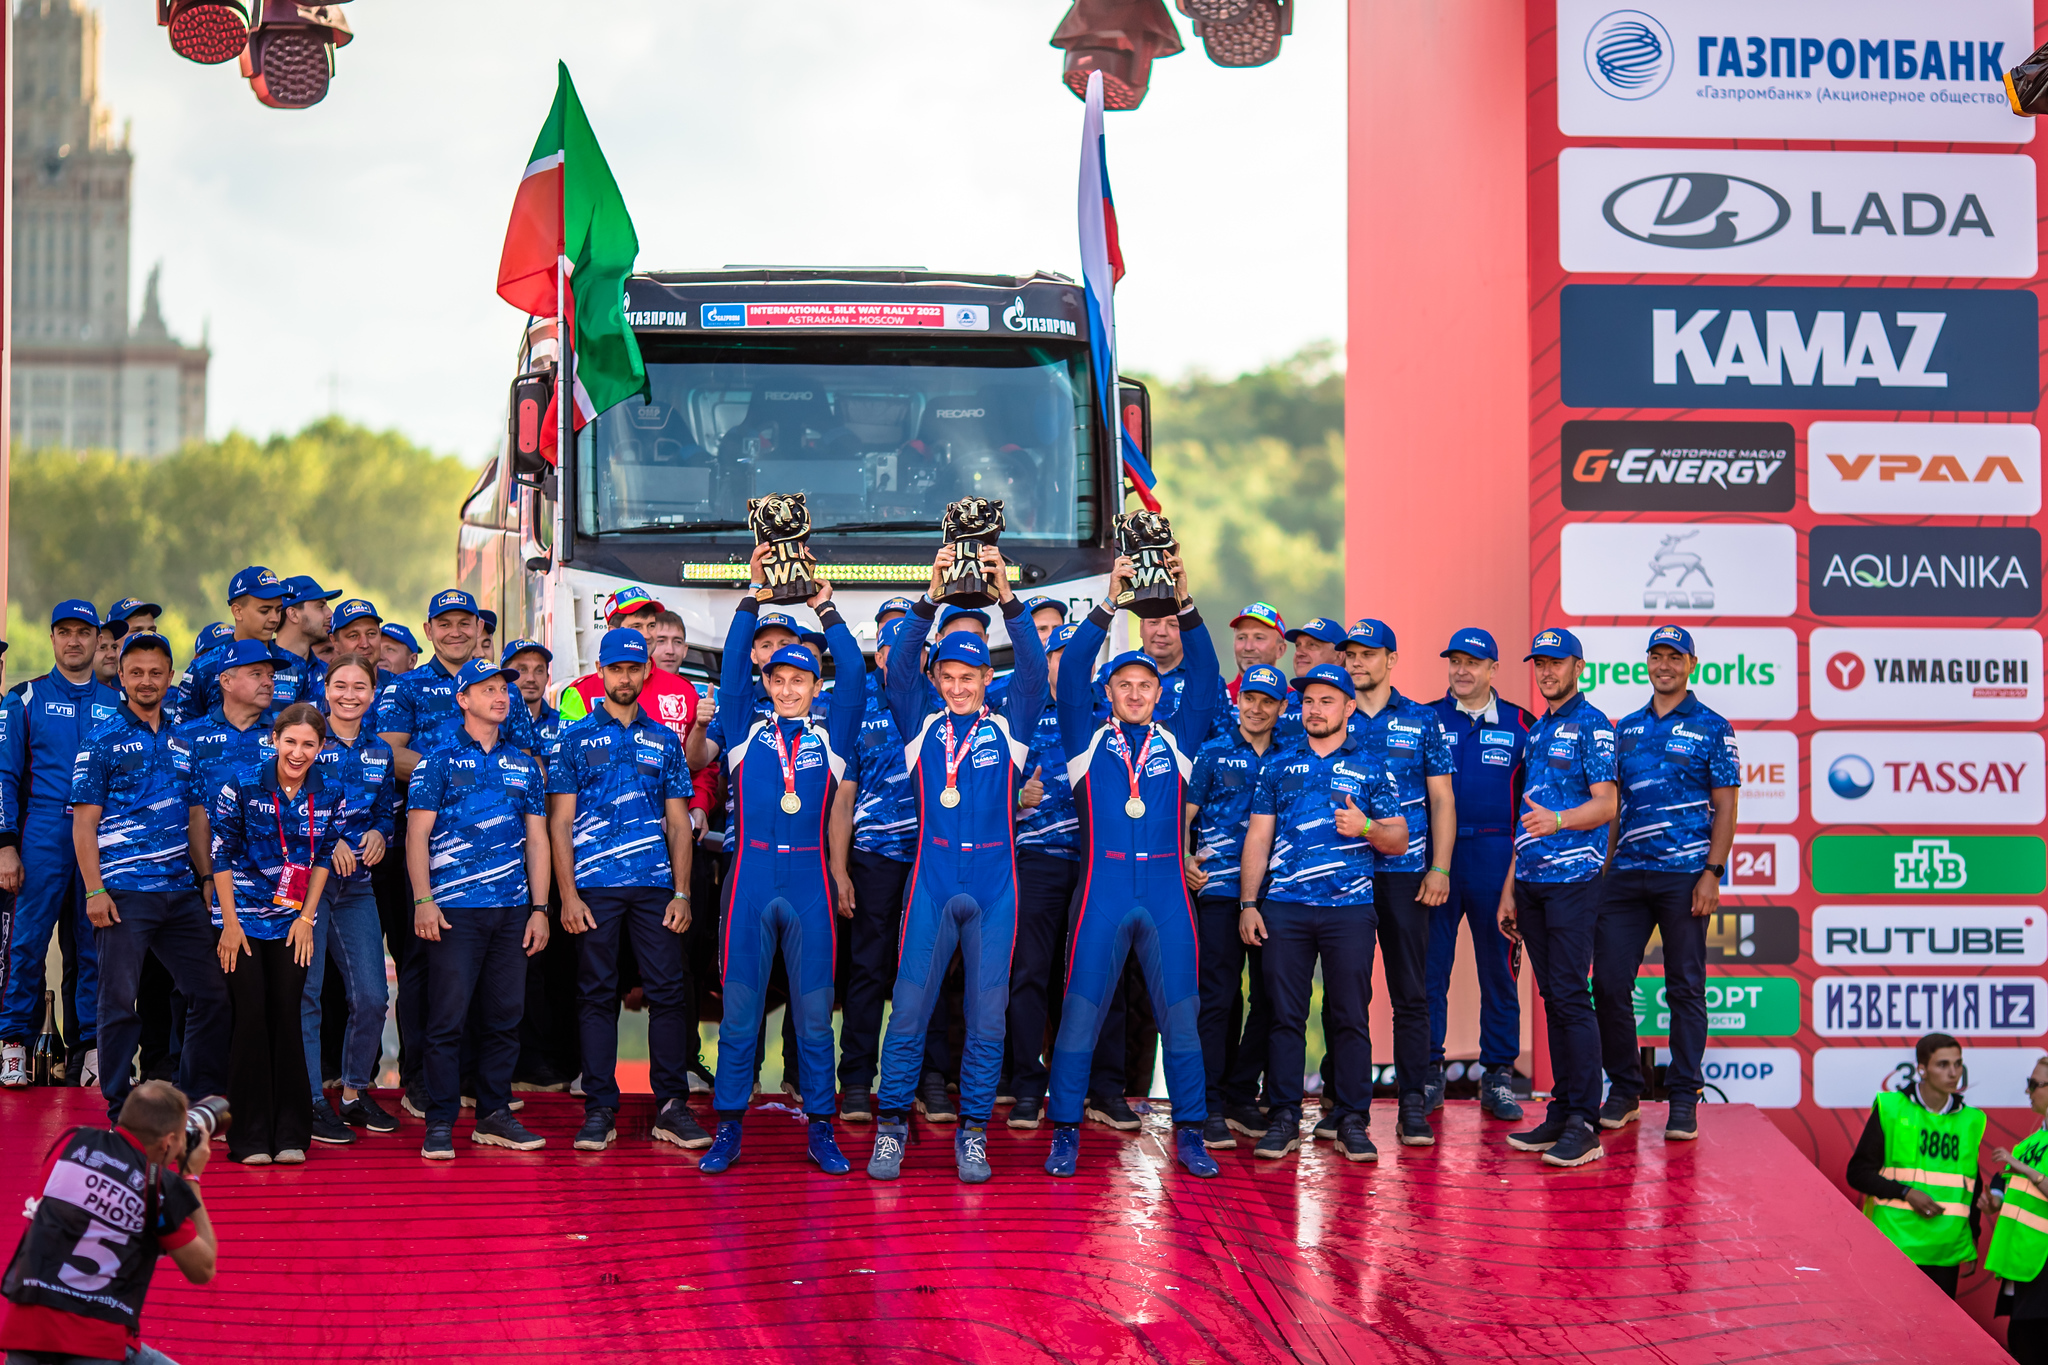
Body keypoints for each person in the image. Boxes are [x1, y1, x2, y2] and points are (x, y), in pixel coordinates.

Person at [865, 543, 1048, 1184]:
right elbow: (898, 672)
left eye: (970, 676)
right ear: (937, 678)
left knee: (987, 1018)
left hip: (995, 888)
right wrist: (930, 594)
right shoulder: (919, 723)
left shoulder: (1012, 727)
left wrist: (1008, 600)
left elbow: (1034, 671)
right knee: (909, 1011)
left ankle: (973, 1132)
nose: (959, 686)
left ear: (986, 679)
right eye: (948, 676)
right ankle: (892, 1126)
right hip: (932, 883)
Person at [1043, 552, 1224, 1180]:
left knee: (1181, 1016)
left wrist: (1183, 600)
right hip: (1103, 889)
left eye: (1146, 685)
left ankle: (1191, 1131)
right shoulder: (1085, 739)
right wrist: (1109, 601)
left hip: (1168, 893)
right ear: (1110, 693)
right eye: (1125, 684)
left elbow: (1207, 673)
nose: (1137, 693)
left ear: (1158, 693)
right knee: (1081, 1012)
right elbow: (1070, 677)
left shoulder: (1180, 739)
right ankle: (1065, 1129)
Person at [701, 544, 864, 1175]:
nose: (789, 689)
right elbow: (732, 666)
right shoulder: (744, 731)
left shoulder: (834, 735)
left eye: (801, 680)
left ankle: (821, 1128)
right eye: (779, 680)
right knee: (739, 1017)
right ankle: (728, 1128)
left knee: (814, 1018)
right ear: (766, 685)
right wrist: (753, 593)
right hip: (749, 880)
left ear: (815, 687)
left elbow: (855, 674)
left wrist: (825, 606)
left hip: (809, 884)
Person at [1236, 663, 1407, 1163]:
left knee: (1349, 1017)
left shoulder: (1372, 767)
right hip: (1285, 909)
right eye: (1309, 701)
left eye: (1326, 701)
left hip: (1349, 912)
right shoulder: (1278, 765)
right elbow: (1258, 837)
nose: (1314, 709)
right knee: (1284, 1017)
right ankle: (1284, 1117)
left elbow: (1399, 839)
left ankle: (1352, 1119)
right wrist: (1249, 903)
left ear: (1349, 708)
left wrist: (1367, 826)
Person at [547, 628, 708, 1154]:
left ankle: (672, 1106)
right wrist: (567, 896)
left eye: (633, 668)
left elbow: (679, 823)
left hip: (655, 886)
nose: (624, 677)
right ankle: (599, 1108)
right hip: (594, 887)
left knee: (669, 992)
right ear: (600, 672)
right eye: (615, 669)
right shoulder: (573, 739)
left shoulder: (664, 739)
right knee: (596, 994)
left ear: (645, 672)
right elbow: (559, 823)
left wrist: (682, 893)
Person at [71, 633, 231, 1125]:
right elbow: (83, 824)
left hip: (180, 891)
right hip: (124, 891)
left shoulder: (185, 740)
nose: (146, 681)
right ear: (121, 676)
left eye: (155, 672)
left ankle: (197, 1099)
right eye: (136, 672)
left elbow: (198, 816)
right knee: (119, 1001)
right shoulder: (100, 739)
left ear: (169, 677)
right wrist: (94, 890)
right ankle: (121, 1105)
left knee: (210, 994)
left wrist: (207, 878)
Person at [1591, 624, 1740, 1143]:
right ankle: (1625, 1089)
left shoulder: (1713, 726)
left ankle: (1683, 1096)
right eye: (1656, 656)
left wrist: (1712, 873)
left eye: (1674, 657)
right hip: (1626, 874)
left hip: (1685, 875)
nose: (1664, 665)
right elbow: (1614, 807)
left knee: (1685, 987)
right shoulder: (1626, 728)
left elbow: (1726, 806)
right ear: (1648, 663)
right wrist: (1604, 869)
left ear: (1691, 665)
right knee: (1608, 984)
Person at [405, 659, 552, 1161]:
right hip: (454, 910)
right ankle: (440, 1121)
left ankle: (493, 1114)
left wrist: (540, 908)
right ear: (463, 699)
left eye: (502, 689)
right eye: (487, 689)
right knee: (447, 1020)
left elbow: (537, 840)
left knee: (506, 1016)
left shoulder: (523, 765)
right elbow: (417, 836)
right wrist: (423, 900)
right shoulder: (437, 761)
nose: (500, 696)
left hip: (512, 909)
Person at [1496, 628, 1616, 1169]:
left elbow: (1607, 804)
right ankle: (1562, 1109)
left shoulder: (1594, 725)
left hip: (1574, 880)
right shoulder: (1539, 728)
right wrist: (1510, 888)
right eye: (1540, 663)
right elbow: (1528, 820)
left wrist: (1561, 820)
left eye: (1556, 663)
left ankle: (1584, 1123)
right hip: (1532, 882)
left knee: (1570, 997)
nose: (1547, 672)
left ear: (1578, 667)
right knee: (1553, 998)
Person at [209, 702, 344, 1165]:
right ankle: (248, 1136)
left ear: (321, 747)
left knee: (288, 1015)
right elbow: (220, 855)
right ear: (275, 740)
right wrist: (229, 925)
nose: (298, 752)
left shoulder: (330, 792)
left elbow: (323, 857)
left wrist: (307, 919)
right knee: (251, 1016)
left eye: (309, 744)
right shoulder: (242, 785)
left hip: (292, 921)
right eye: (290, 742)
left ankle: (290, 1133)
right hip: (242, 919)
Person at [0, 1079, 218, 1365]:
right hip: (98, 1344)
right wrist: (191, 1177)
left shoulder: (70, 1143)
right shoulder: (157, 1186)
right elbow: (203, 1269)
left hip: (26, 1334)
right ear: (168, 1142)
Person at [1340, 618, 1455, 1146]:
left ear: (1391, 660)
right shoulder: (1333, 714)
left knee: (1411, 994)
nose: (1357, 663)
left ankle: (1413, 1104)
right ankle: (1348, 1108)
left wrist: (1440, 867)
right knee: (1349, 998)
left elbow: (1442, 799)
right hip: (1345, 880)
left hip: (1406, 878)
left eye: (1368, 654)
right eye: (1351, 654)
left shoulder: (1422, 719)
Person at [1004, 620, 1123, 1129]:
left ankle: (1105, 1089)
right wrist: (1017, 797)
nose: (1072, 664)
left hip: (1102, 863)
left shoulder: (1109, 717)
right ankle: (1027, 1087)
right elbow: (982, 786)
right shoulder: (1022, 714)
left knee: (1102, 975)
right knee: (1030, 973)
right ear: (1047, 661)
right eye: (1060, 655)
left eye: (1082, 656)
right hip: (1037, 859)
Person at [0, 600, 122, 1089]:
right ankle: (12, 1043)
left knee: (95, 946)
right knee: (26, 943)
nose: (74, 641)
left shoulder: (116, 702)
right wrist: (6, 844)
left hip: (99, 836)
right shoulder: (25, 697)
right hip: (43, 832)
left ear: (97, 640)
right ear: (52, 638)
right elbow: (4, 776)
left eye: (83, 632)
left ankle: (92, 1049)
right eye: (65, 632)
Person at [1422, 627, 1533, 1120]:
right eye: (1455, 661)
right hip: (1437, 859)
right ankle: (1428, 1073)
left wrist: (1516, 875)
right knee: (1430, 971)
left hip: (1496, 856)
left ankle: (1499, 1076)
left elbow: (1534, 804)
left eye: (1473, 662)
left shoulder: (1522, 724)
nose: (1462, 670)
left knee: (1500, 972)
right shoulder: (1425, 718)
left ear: (1493, 669)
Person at [1182, 662, 1288, 1149]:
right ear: (1238, 699)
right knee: (1216, 997)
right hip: (1220, 893)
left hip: (1278, 895)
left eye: (1267, 701)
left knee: (1270, 1000)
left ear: (1281, 707)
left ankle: (1243, 1094)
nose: (1256, 709)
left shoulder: (1293, 754)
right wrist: (1184, 859)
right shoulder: (1212, 752)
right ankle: (1207, 1103)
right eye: (1250, 698)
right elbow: (1181, 818)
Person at [303, 654, 398, 1145]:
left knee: (372, 995)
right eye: (340, 685)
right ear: (325, 689)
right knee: (309, 994)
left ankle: (355, 1092)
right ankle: (310, 1102)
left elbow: (385, 811)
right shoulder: (306, 741)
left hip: (357, 886)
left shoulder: (380, 750)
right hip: (308, 888)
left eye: (360, 686)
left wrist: (380, 832)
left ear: (373, 693)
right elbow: (283, 806)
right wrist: (328, 840)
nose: (349, 695)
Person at [828, 616, 916, 1124]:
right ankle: (858, 1081)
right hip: (874, 858)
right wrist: (840, 871)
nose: (906, 660)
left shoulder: (942, 706)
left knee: (923, 973)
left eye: (915, 650)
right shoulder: (858, 711)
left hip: (930, 859)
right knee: (866, 970)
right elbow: (843, 801)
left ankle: (924, 1080)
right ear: (880, 658)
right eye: (895, 651)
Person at [1846, 1032, 1986, 1298]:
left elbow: (1972, 1184)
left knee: (1937, 1326)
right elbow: (1858, 1173)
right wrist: (1906, 1192)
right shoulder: (1891, 1107)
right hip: (1893, 1246)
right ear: (1922, 1069)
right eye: (1943, 1064)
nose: (1953, 1073)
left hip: (1946, 1251)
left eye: (1958, 1064)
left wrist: (1973, 1237)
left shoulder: (1972, 1120)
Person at [174, 566, 294, 725]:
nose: (274, 618)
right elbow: (182, 731)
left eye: (278, 610)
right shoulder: (203, 667)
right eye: (264, 611)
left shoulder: (294, 664)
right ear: (237, 611)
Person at [1986, 1055, 2048, 1360]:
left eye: (2034, 1084)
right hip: (2025, 1261)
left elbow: (2026, 1174)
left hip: (2042, 1266)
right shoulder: (2030, 1143)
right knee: (2022, 1342)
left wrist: (2023, 1168)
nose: (2028, 1091)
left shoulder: (2023, 1152)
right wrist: (1993, 1201)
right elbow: (2009, 1184)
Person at [274, 575, 340, 711]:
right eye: (320, 606)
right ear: (293, 614)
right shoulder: (261, 669)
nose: (330, 614)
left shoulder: (329, 674)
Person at [503, 640, 563, 749]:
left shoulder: (561, 724)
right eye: (522, 669)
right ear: (505, 676)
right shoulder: (493, 724)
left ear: (547, 678)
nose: (531, 678)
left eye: (539, 671)